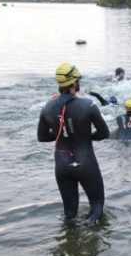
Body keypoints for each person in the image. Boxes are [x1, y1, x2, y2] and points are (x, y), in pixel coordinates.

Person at [37, 63, 110, 224]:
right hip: (85, 162)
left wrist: (61, 133)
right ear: (74, 82)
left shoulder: (47, 108)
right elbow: (104, 133)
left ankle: (69, 243)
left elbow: (42, 137)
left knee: (69, 214)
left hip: (61, 165)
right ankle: (94, 244)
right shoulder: (88, 105)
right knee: (97, 206)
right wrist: (83, 136)